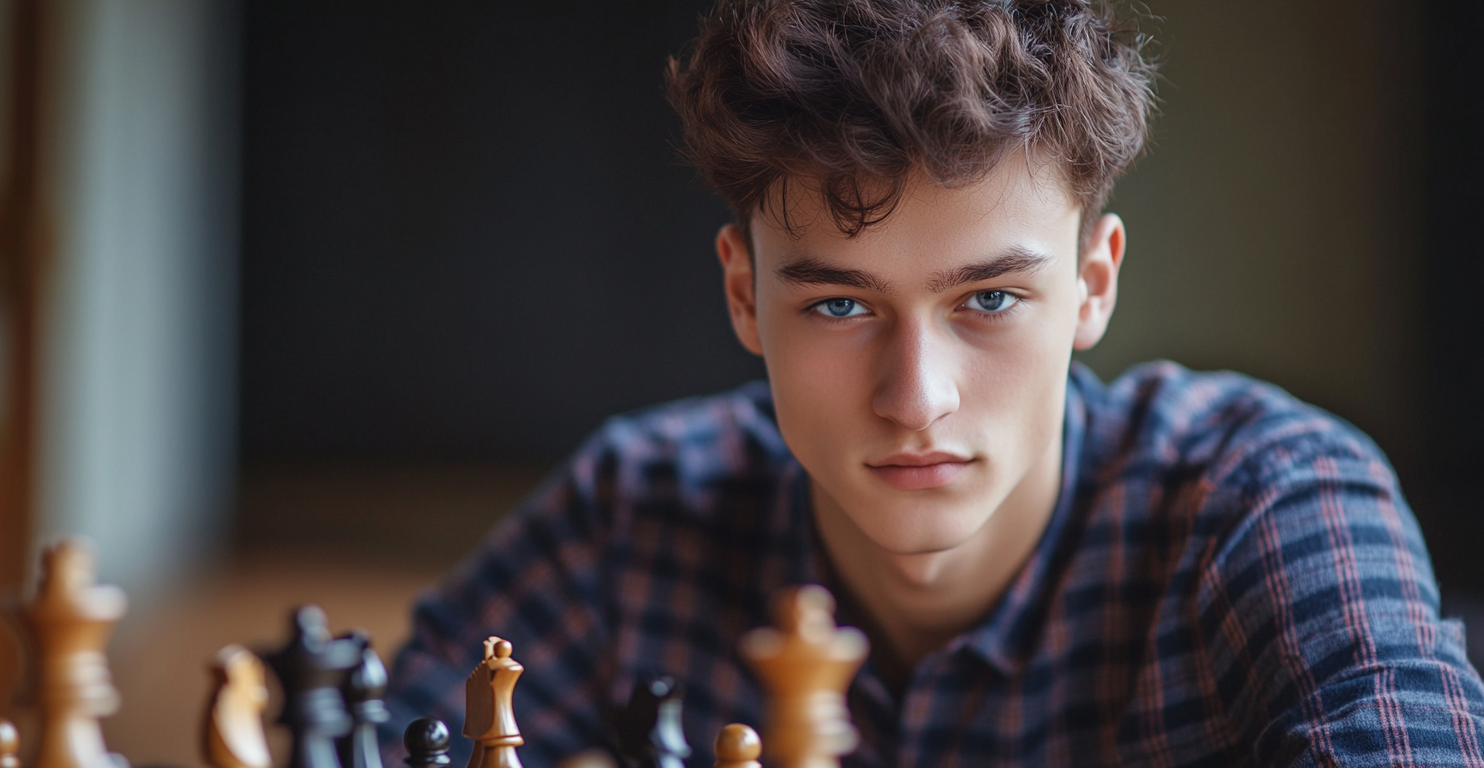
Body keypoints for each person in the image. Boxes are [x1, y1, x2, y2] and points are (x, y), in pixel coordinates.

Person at [379, 0, 1484, 765]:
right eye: (840, 305)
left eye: (989, 300)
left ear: (1094, 285)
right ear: (742, 295)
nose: (917, 398)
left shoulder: (1267, 501)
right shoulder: (638, 511)